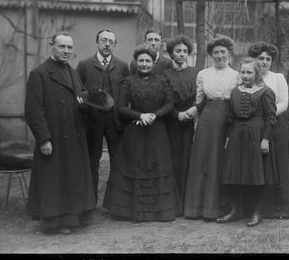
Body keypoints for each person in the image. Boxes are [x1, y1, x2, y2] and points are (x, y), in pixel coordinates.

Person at [25, 31, 95, 235]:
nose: (66, 51)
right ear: (52, 47)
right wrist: (43, 139)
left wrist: (86, 104)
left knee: (72, 178)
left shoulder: (72, 72)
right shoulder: (39, 74)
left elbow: (81, 98)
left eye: (69, 47)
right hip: (54, 137)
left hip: (74, 136)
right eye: (62, 46)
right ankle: (54, 222)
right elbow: (33, 110)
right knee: (54, 180)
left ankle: (74, 217)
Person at [106, 44, 181, 222]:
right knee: (133, 165)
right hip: (135, 130)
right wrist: (139, 115)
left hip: (157, 130)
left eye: (148, 61)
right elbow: (121, 106)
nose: (144, 64)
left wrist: (154, 115)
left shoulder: (163, 81)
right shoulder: (128, 82)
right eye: (141, 61)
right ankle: (128, 211)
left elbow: (169, 105)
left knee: (157, 165)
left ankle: (159, 211)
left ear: (154, 62)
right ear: (136, 62)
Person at [216, 57, 279, 227]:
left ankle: (256, 212)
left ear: (257, 73)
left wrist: (265, 139)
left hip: (257, 135)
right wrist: (228, 138)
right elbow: (231, 118)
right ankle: (235, 211)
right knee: (234, 173)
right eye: (242, 72)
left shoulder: (265, 92)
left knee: (255, 174)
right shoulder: (236, 91)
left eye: (249, 72)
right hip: (237, 135)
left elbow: (271, 118)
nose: (245, 75)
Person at [183, 35, 239, 221]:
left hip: (226, 120)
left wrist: (231, 132)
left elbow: (236, 105)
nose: (220, 55)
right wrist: (196, 125)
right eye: (216, 52)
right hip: (206, 119)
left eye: (223, 52)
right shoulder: (203, 74)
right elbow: (199, 101)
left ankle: (214, 209)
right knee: (201, 161)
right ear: (211, 54)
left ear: (229, 53)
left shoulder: (236, 76)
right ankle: (195, 208)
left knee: (218, 162)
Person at [76, 29, 129, 207]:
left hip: (115, 121)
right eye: (104, 40)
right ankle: (89, 203)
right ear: (97, 42)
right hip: (92, 120)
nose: (107, 44)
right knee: (92, 160)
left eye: (111, 41)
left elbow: (126, 93)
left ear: (114, 45)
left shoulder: (122, 66)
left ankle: (114, 203)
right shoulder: (84, 65)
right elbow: (79, 91)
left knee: (117, 160)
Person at [248, 41, 289, 219]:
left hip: (276, 125)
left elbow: (283, 102)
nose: (265, 62)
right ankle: (259, 207)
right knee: (261, 165)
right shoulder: (248, 76)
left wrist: (270, 115)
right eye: (261, 58)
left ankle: (280, 208)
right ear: (255, 60)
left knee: (279, 164)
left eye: (268, 59)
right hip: (256, 126)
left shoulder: (278, 77)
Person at [163, 35, 199, 211]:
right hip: (172, 122)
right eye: (178, 51)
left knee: (188, 160)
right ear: (171, 53)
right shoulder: (165, 75)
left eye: (185, 51)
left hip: (191, 122)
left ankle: (187, 203)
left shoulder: (196, 73)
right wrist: (177, 114)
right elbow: (163, 100)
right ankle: (174, 204)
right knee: (173, 161)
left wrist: (192, 111)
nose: (182, 54)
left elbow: (201, 97)